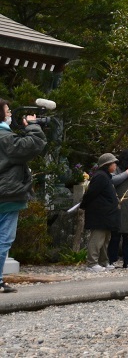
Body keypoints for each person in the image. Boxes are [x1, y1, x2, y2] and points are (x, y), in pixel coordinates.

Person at [0, 100, 47, 293]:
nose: (10, 113)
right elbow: (32, 145)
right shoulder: (4, 137)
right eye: (7, 111)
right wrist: (34, 127)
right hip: (7, 195)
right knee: (4, 239)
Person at [81, 153, 122, 272]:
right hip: (100, 213)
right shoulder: (100, 177)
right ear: (107, 165)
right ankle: (92, 263)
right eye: (113, 163)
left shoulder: (105, 176)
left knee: (105, 239)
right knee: (97, 238)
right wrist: (83, 205)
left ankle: (103, 261)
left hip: (107, 214)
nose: (115, 165)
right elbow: (91, 193)